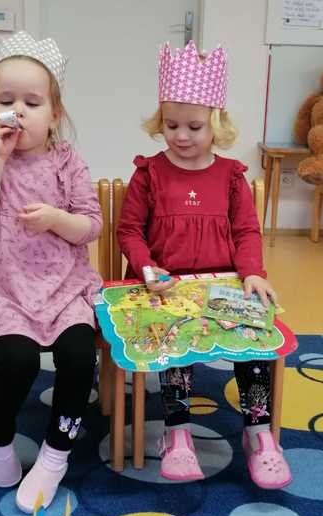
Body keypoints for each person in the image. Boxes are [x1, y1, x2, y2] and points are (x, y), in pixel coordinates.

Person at [116, 41, 292, 489]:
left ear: (216, 123)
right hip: (168, 288)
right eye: (171, 124)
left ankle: (258, 433)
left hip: (226, 286)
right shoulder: (149, 173)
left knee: (256, 343)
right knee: (174, 344)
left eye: (194, 126)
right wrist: (146, 267)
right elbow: (129, 231)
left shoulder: (231, 176)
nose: (181, 135)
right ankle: (176, 432)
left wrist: (253, 272)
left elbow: (246, 232)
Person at [0, 32, 102, 513]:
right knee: (18, 361)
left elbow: (91, 225)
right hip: (5, 291)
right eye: (6, 101)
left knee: (79, 358)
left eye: (32, 103)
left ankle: (55, 454)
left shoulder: (67, 161)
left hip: (63, 290)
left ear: (54, 114)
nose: (18, 112)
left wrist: (57, 219)